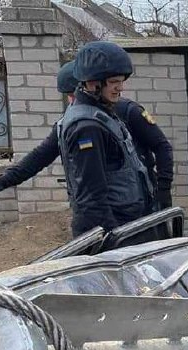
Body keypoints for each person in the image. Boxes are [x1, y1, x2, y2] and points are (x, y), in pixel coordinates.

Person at [0, 61, 174, 214]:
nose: (72, 102)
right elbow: (41, 156)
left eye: (73, 94)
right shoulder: (71, 122)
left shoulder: (128, 111)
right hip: (103, 212)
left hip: (140, 203)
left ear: (90, 86)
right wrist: (2, 181)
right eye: (68, 96)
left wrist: (163, 190)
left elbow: (162, 146)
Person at [56, 41, 156, 237]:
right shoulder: (87, 127)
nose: (120, 88)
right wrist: (116, 240)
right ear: (93, 83)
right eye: (114, 82)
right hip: (116, 229)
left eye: (121, 81)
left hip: (128, 221)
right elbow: (93, 199)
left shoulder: (100, 113)